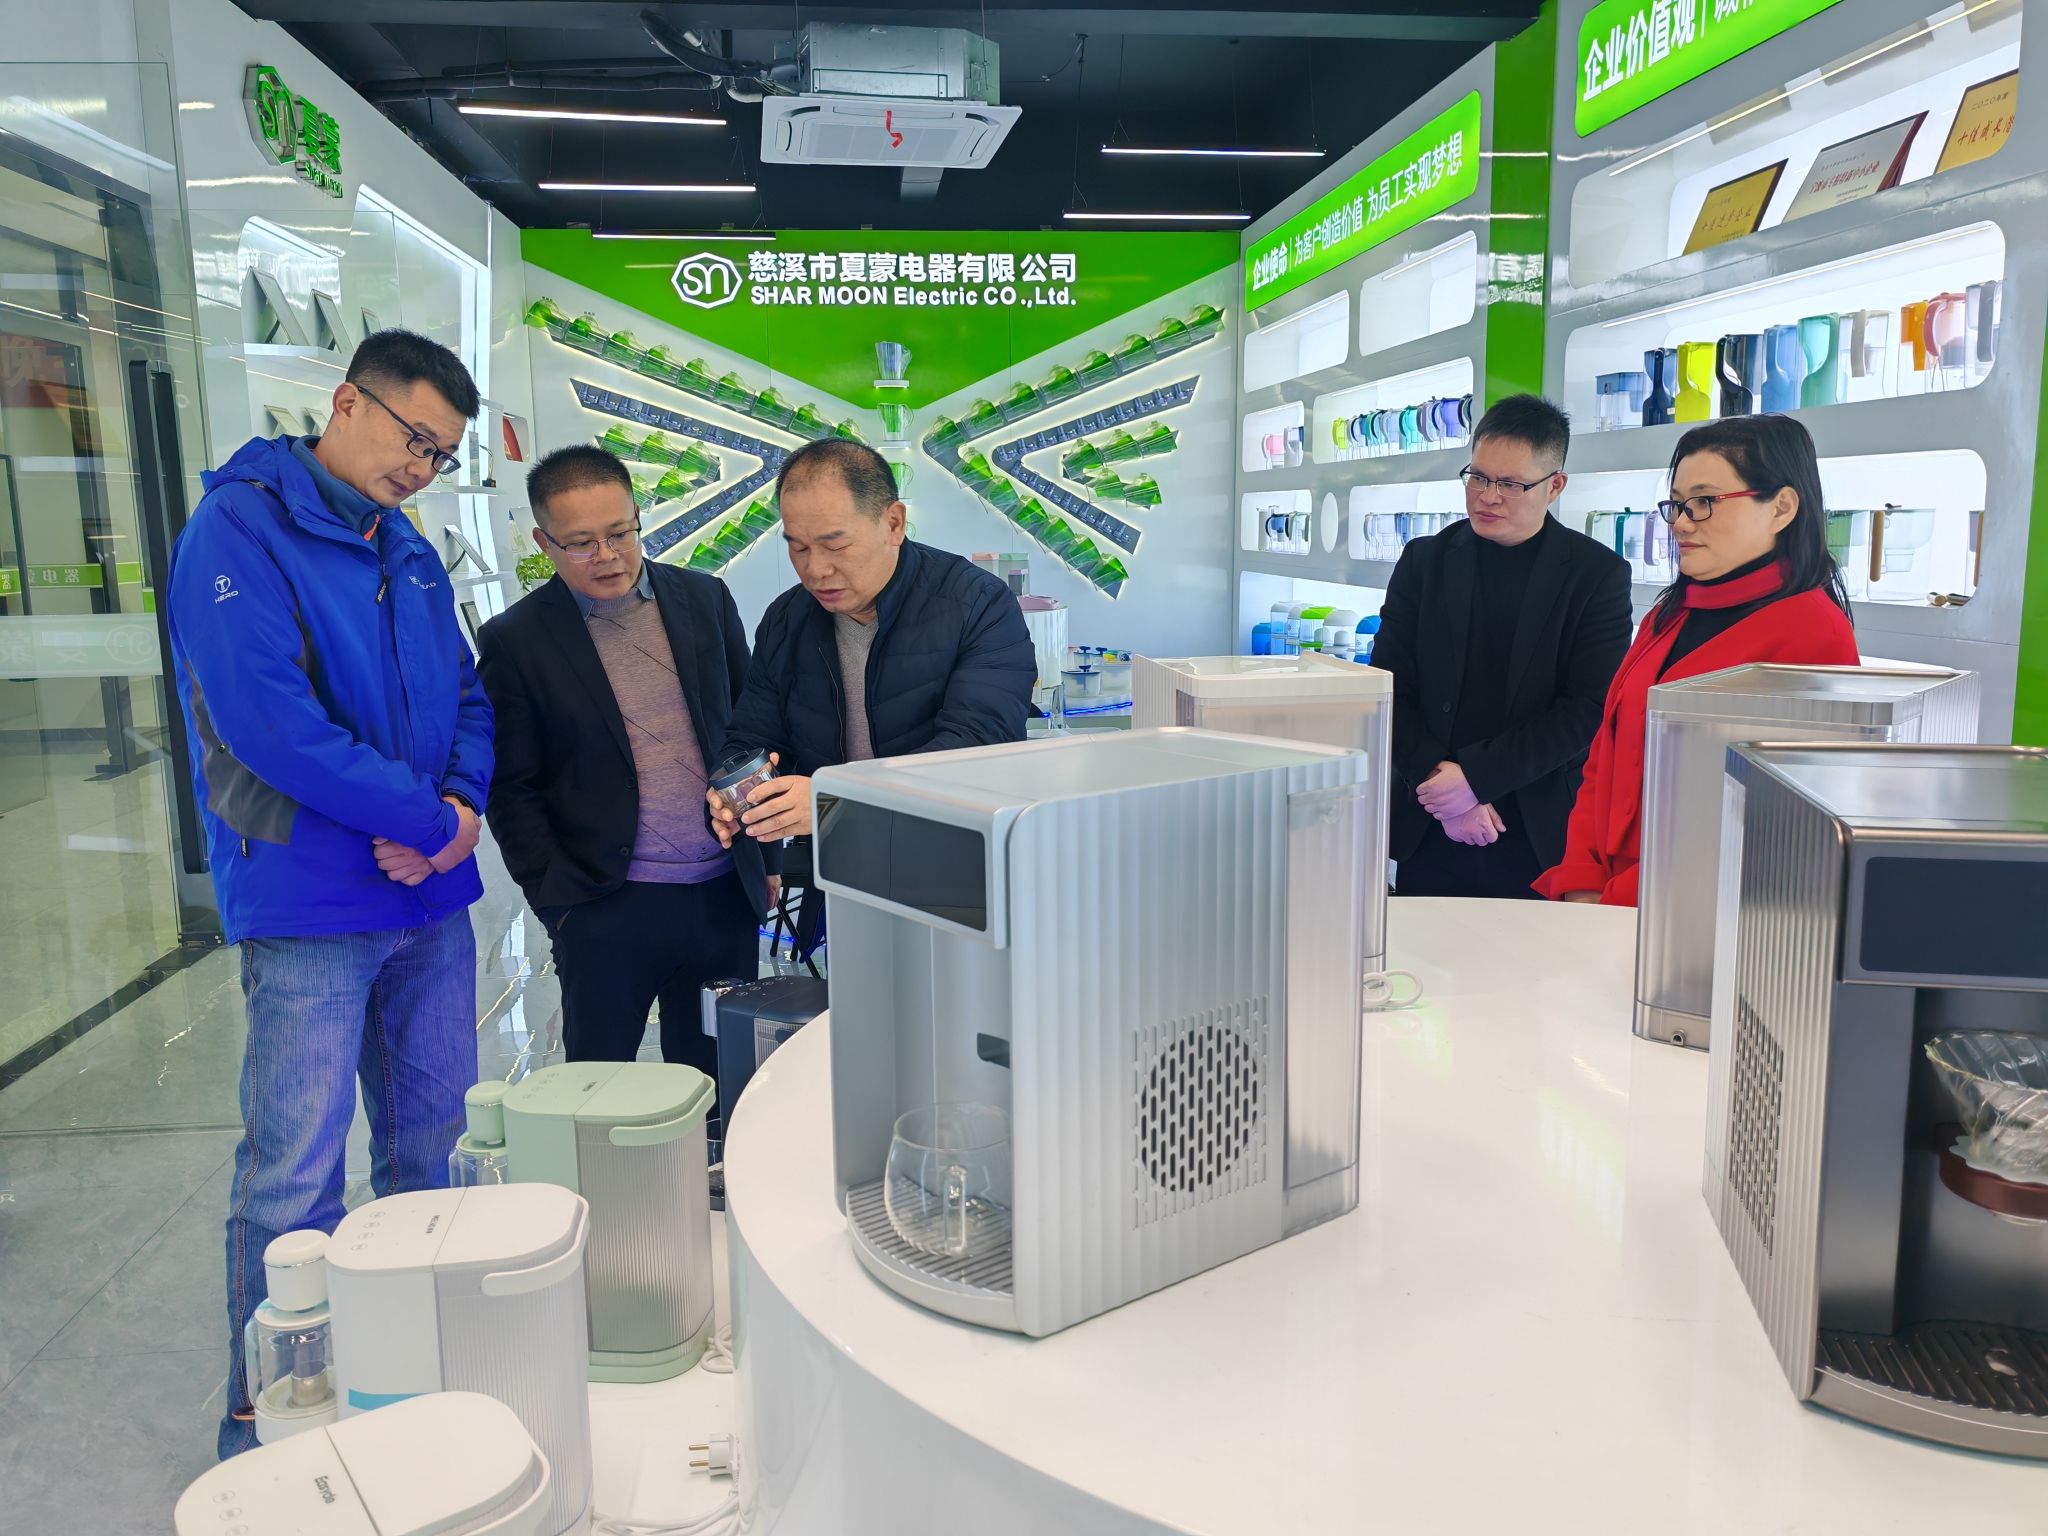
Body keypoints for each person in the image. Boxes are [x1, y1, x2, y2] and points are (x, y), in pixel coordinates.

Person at [165, 330, 492, 1459]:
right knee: (295, 1178)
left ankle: (414, 1378)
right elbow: (271, 727)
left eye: (441, 455)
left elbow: (468, 697)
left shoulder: (405, 546)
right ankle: (265, 1419)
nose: (422, 468)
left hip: (427, 904)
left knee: (433, 1152)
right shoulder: (238, 529)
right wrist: (425, 823)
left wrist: (460, 810)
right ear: (347, 403)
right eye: (414, 439)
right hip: (309, 904)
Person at [476, 445, 774, 1070]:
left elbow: (749, 731)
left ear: (638, 516)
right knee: (600, 1087)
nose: (607, 555)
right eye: (581, 543)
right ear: (545, 542)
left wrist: (765, 859)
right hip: (605, 903)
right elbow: (511, 785)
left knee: (717, 1081)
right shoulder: (517, 640)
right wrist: (560, 905)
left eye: (620, 533)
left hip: (722, 894)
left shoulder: (704, 600)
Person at [1537, 414, 1859, 907]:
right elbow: (1604, 758)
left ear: (1781, 508)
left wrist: (1616, 898)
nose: (1682, 523)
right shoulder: (1670, 614)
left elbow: (1769, 826)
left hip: (1700, 914)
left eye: (1705, 502)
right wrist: (1581, 877)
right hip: (1603, 901)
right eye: (1678, 505)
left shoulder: (1814, 636)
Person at [709, 438, 1036, 857]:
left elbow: (976, 747)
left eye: (835, 545)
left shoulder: (976, 603)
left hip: (956, 855)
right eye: (798, 547)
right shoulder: (786, 619)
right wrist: (735, 794)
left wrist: (834, 801)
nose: (816, 569)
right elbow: (755, 734)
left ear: (894, 524)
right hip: (838, 861)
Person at [1372, 394, 1633, 899]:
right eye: (1478, 477)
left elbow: (1587, 707)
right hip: (1432, 818)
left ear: (1555, 486)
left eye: (1511, 484)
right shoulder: (1424, 561)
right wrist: (1444, 790)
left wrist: (1475, 781)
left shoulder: (1596, 575)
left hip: (1535, 828)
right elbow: (1387, 685)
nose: (1487, 497)